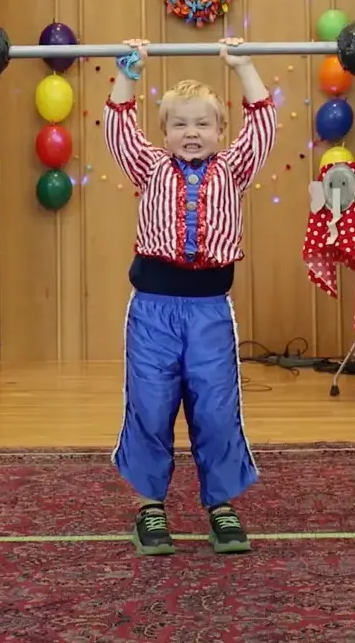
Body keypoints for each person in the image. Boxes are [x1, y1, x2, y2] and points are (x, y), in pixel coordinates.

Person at [103, 36, 277, 556]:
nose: (192, 132)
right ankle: (149, 509)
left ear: (221, 131)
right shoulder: (149, 167)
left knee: (216, 408)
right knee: (152, 405)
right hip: (153, 310)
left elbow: (264, 125)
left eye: (202, 123)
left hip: (208, 313)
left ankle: (221, 507)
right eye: (180, 123)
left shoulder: (234, 171)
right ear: (165, 133)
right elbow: (117, 125)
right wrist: (129, 72)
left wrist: (244, 66)